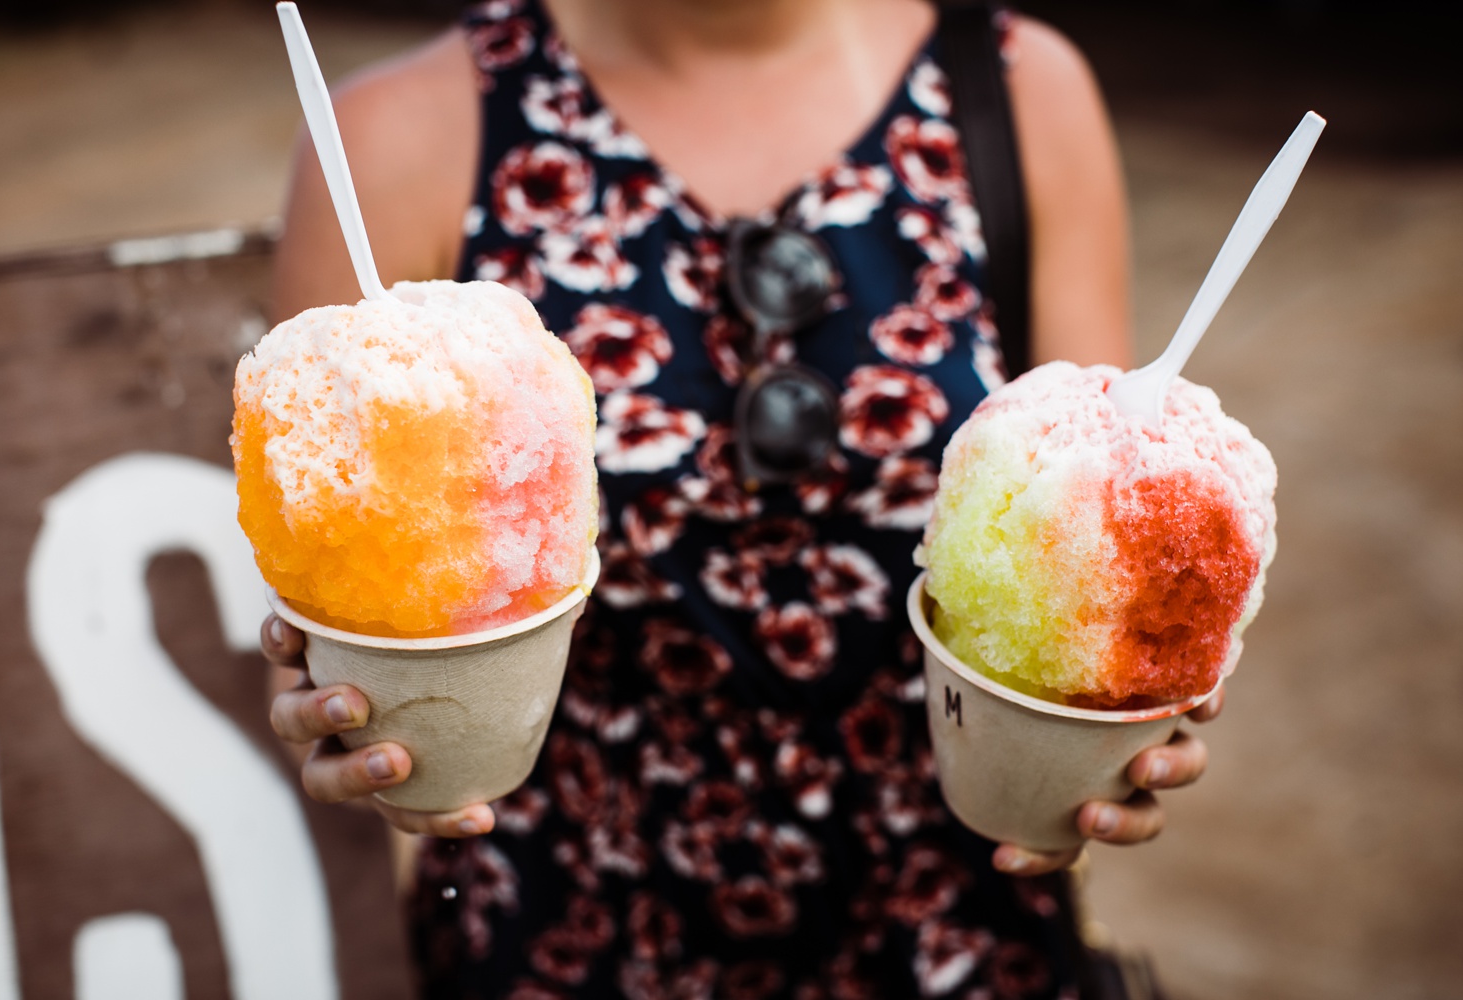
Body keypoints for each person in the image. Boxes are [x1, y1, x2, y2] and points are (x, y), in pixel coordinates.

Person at [261, 0, 1221, 995]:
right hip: (562, 935)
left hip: (959, 939)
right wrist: (340, 714)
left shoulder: (1021, 94)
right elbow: (315, 606)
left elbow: (1105, 528)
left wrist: (1126, 706)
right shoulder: (387, 139)